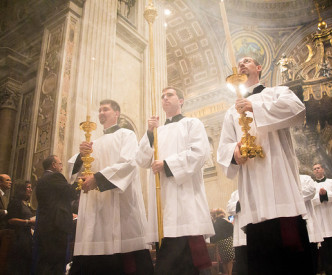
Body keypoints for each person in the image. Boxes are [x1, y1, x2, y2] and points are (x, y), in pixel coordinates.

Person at [217, 56, 313, 275]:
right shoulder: (231, 111)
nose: (242, 64)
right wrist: (235, 153)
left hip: (281, 185)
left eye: (247, 61)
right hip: (254, 192)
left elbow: (297, 110)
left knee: (291, 257)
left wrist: (254, 107)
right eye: (239, 62)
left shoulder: (277, 92)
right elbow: (223, 148)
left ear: (259, 68)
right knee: (261, 260)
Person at [67, 99, 153, 275]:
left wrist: (98, 179)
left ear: (116, 113)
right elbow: (73, 171)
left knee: (125, 255)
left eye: (105, 109)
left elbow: (129, 162)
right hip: (96, 209)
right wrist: (81, 156)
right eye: (99, 110)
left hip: (121, 206)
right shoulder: (94, 143)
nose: (101, 112)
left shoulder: (126, 135)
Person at [136, 87, 215, 275]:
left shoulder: (192, 124)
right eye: (162, 96)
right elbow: (142, 160)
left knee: (189, 263)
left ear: (181, 100)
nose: (165, 99)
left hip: (186, 201)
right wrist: (148, 132)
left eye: (169, 95)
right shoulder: (157, 131)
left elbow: (200, 153)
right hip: (163, 204)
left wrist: (167, 164)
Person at [33, 155, 77, 274]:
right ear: (53, 165)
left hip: (46, 225)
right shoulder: (55, 176)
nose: (61, 167)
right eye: (60, 164)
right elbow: (71, 193)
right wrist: (80, 181)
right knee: (56, 262)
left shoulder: (42, 179)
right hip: (56, 226)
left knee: (45, 261)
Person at [7, 181, 35, 275]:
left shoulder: (25, 203)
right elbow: (11, 220)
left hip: (26, 236)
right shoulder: (15, 202)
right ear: (21, 189)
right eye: (28, 187)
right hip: (18, 237)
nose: (30, 189)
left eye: (31, 187)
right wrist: (28, 221)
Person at [299, 174, 324, 275]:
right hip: (288, 223)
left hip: (307, 219)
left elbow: (311, 191)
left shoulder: (305, 178)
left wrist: (290, 193)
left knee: (310, 256)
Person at [226, 190, 248, 275]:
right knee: (242, 266)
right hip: (240, 237)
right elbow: (229, 207)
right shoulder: (236, 193)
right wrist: (240, 202)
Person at [210, 208, 234, 275]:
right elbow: (232, 229)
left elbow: (213, 237)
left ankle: (226, 273)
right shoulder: (225, 221)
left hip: (219, 243)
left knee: (224, 261)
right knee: (230, 260)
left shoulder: (215, 224)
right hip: (228, 241)